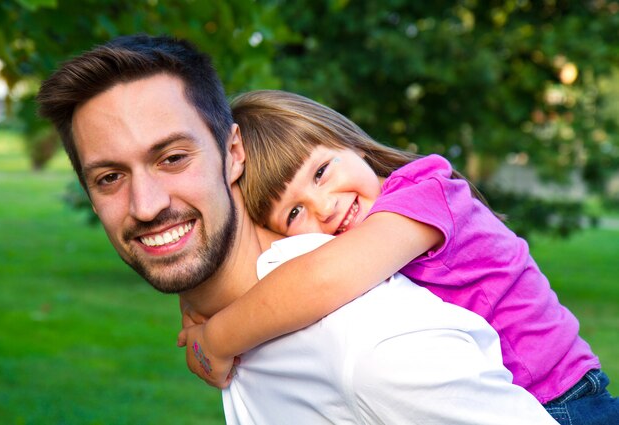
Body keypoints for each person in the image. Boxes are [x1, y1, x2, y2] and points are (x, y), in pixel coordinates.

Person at [36, 34, 559, 424]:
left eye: (173, 157)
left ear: (231, 153)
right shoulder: (265, 313)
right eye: (109, 177)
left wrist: (216, 337)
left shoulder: (373, 344)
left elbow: (325, 280)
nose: (146, 206)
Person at [181, 90, 619, 425]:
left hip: (562, 402)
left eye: (320, 172)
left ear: (350, 143)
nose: (323, 206)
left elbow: (319, 281)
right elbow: (265, 271)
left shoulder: (422, 196)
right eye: (293, 212)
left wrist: (217, 337)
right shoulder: (355, 234)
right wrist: (195, 302)